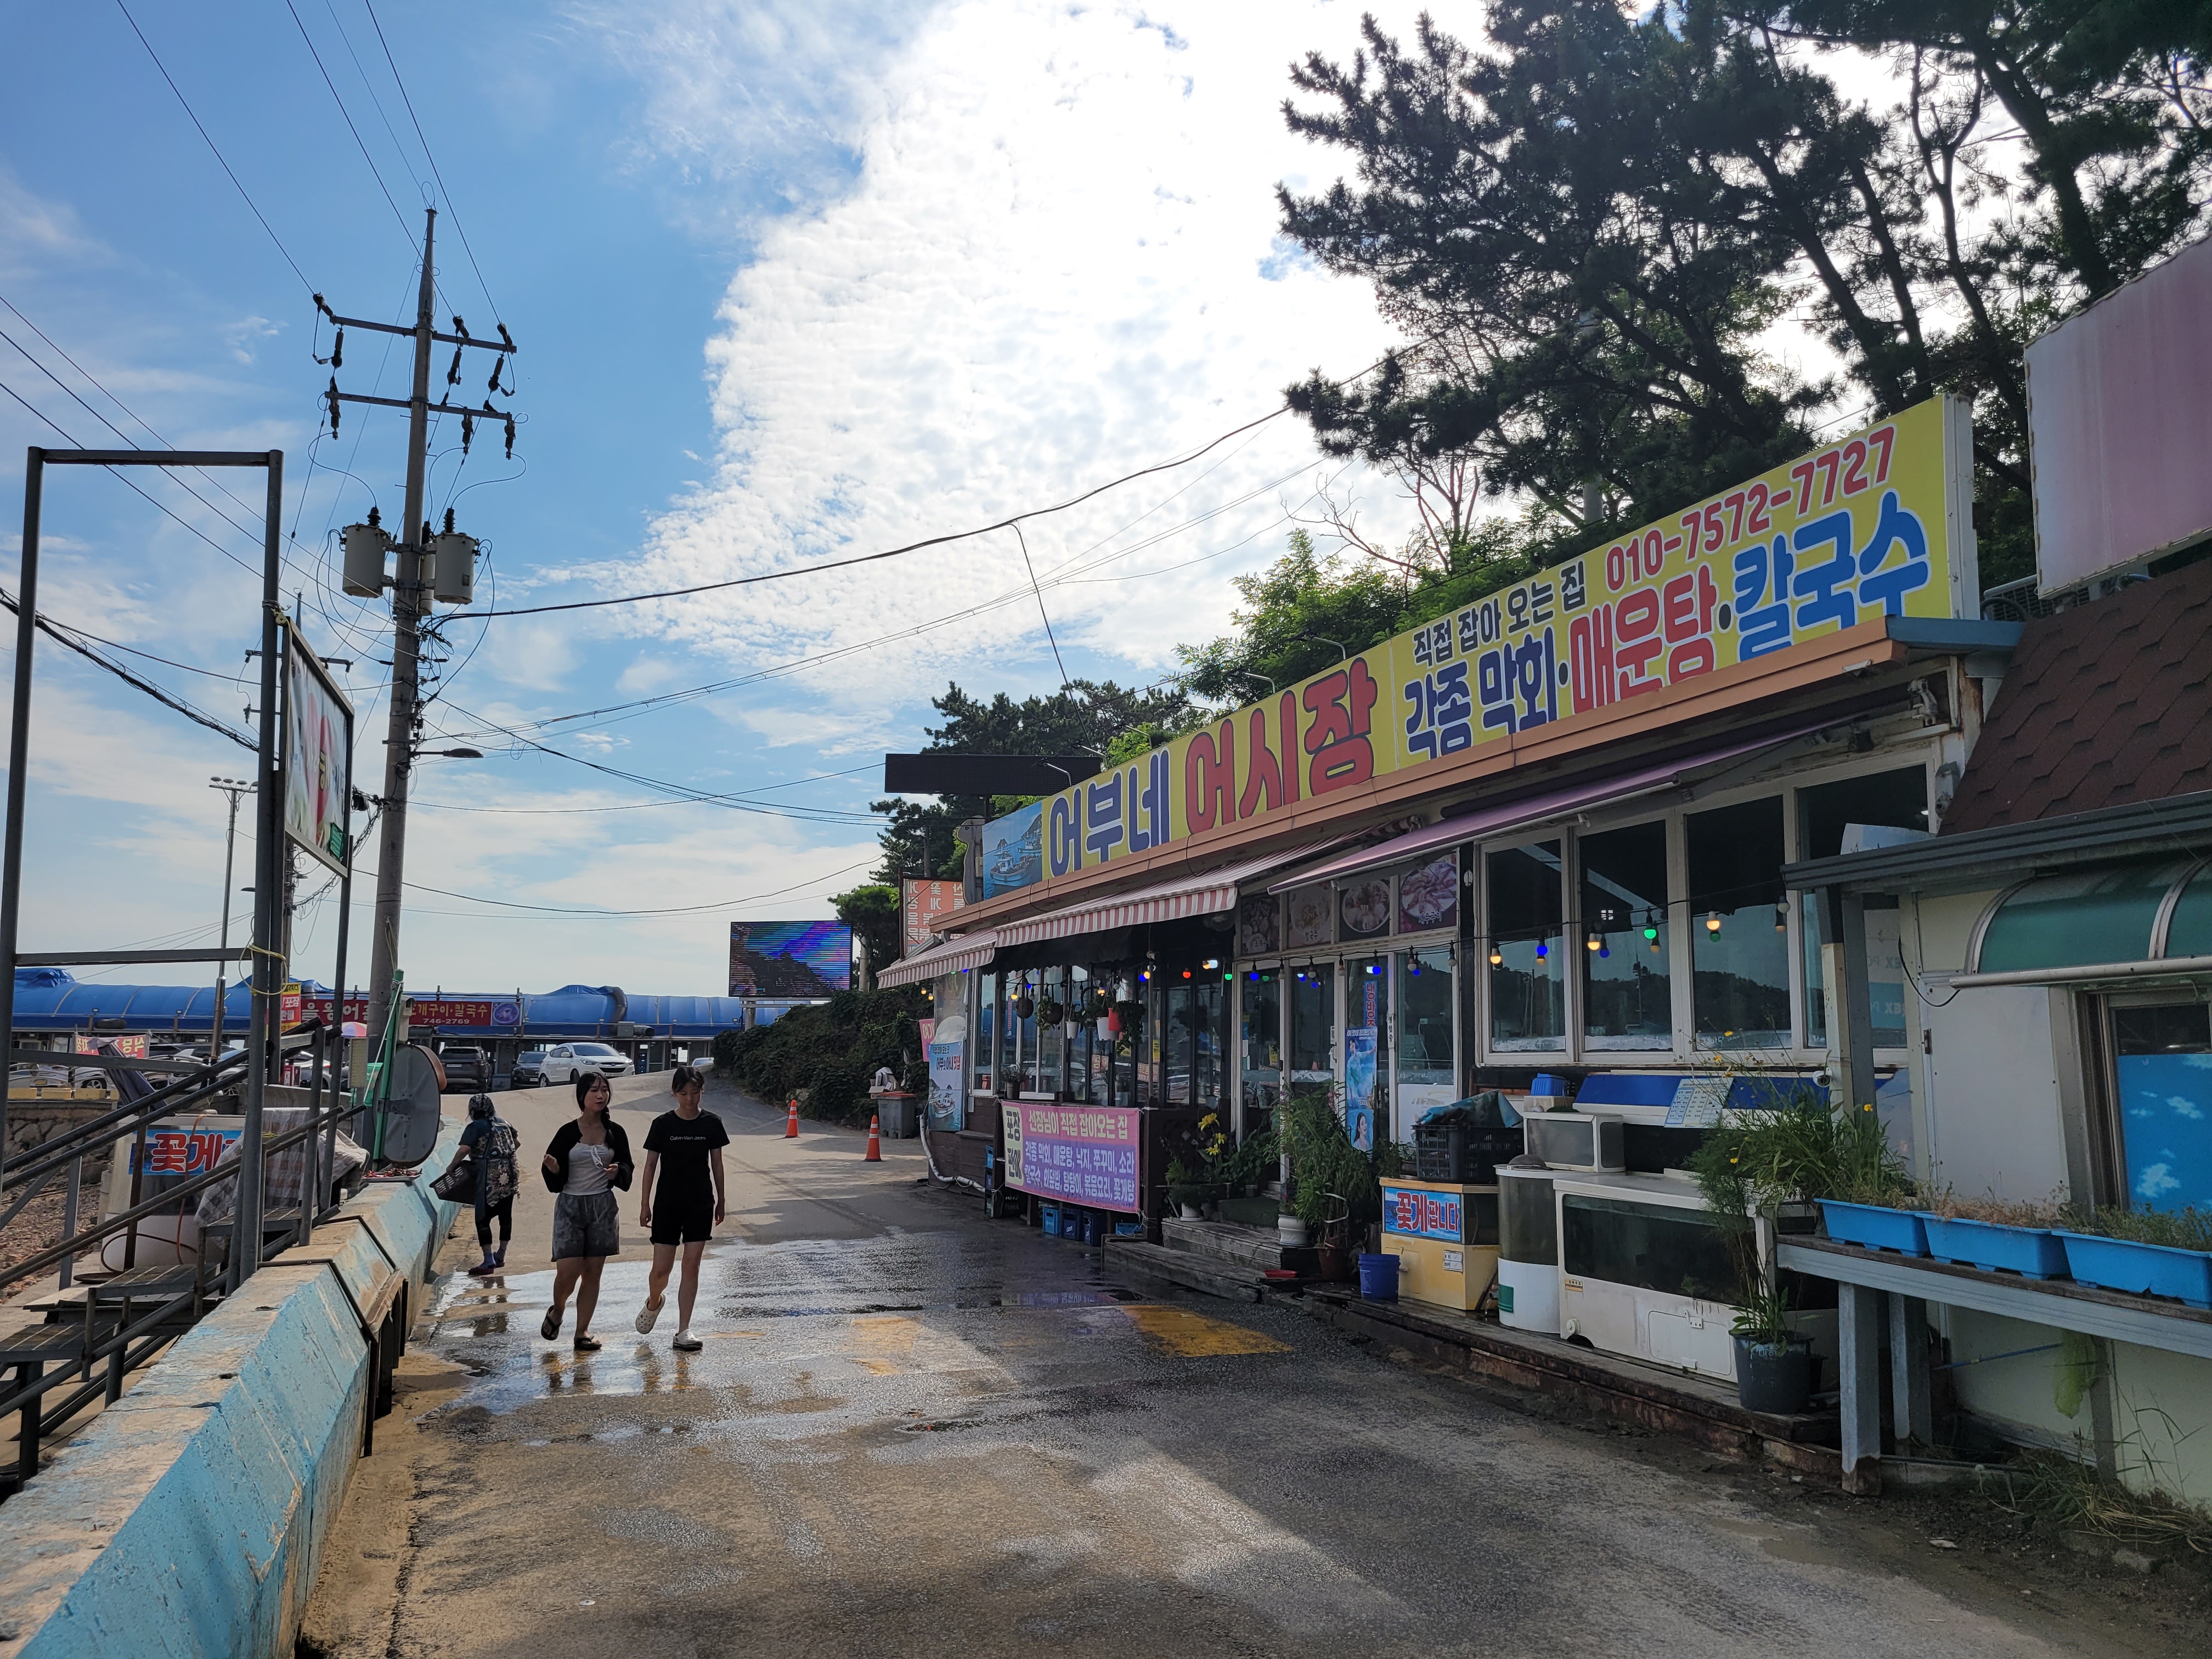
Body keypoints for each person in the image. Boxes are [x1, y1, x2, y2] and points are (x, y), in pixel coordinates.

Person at [635, 1065, 727, 1352]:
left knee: (691, 1265)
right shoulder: (662, 1124)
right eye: (684, 1093)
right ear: (674, 1093)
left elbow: (717, 1164)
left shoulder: (712, 1123)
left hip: (700, 1201)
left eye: (695, 1093)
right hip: (668, 1203)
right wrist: (645, 1203)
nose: (690, 1099)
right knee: (661, 1271)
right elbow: (650, 1165)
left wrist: (722, 1199)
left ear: (702, 1092)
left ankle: (683, 1329)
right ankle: (654, 1301)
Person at [540, 1071, 633, 1351]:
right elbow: (552, 1173)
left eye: (604, 1090)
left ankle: (582, 1332)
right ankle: (558, 1310)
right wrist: (554, 1169)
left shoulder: (615, 1132)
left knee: (593, 1274)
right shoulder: (568, 1132)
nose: (601, 1095)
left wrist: (618, 1171)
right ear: (582, 1096)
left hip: (602, 1208)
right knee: (568, 1272)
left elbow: (627, 1167)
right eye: (594, 1090)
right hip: (570, 1206)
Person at [459, 1094, 520, 1277]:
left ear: (473, 1111)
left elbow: (465, 1149)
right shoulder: (504, 1123)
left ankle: (488, 1261)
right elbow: (516, 1143)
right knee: (505, 1216)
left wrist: (451, 1167)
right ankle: (501, 1255)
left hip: (489, 1176)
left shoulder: (476, 1127)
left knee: (483, 1218)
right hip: (509, 1174)